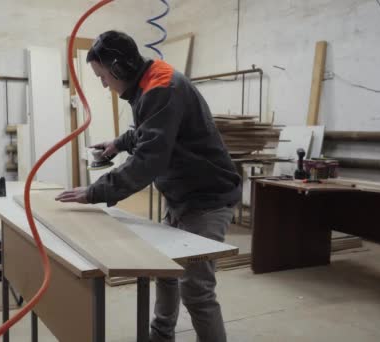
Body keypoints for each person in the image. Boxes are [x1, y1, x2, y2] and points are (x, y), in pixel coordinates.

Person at [55, 30, 241, 342]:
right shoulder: (150, 83)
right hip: (184, 195)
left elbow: (148, 161)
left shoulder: (161, 87)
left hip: (207, 199)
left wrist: (94, 192)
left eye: (102, 76)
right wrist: (119, 142)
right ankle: (160, 335)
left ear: (117, 69)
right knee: (166, 273)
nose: (102, 84)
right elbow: (149, 130)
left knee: (196, 291)